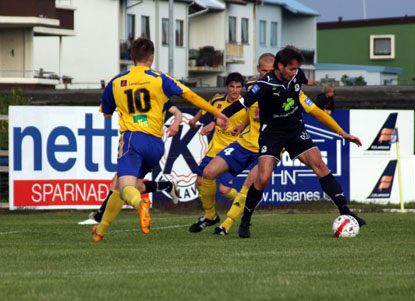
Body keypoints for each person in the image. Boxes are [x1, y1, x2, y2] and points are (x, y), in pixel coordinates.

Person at [92, 37, 229, 242]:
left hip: (132, 139)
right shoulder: (160, 78)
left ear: (131, 57)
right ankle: (100, 232)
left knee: (125, 186)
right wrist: (215, 113)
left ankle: (140, 205)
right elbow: (190, 96)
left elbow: (106, 113)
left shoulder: (115, 82)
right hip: (156, 145)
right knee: (123, 187)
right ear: (152, 57)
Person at [221, 45, 365, 238]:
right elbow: (240, 103)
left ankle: (346, 212)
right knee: (262, 178)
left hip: (295, 130)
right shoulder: (264, 85)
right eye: (291, 69)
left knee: (321, 166)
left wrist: (342, 132)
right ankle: (246, 220)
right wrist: (220, 115)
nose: (294, 73)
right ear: (279, 66)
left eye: (296, 69)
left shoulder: (296, 75)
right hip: (272, 133)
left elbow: (310, 99)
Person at [78, 101, 182, 225]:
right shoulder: (133, 96)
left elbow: (176, 112)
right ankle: (167, 185)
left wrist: (175, 123)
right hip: (138, 145)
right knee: (136, 187)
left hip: (148, 145)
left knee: (118, 181)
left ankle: (99, 217)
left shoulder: (156, 95)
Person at [188, 72, 248, 232]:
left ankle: (244, 204)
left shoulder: (246, 104)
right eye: (232, 87)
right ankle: (210, 216)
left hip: (232, 152)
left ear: (242, 88)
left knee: (224, 190)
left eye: (238, 87)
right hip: (214, 150)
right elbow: (205, 108)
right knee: (199, 182)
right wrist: (194, 120)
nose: (235, 90)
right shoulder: (218, 101)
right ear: (227, 87)